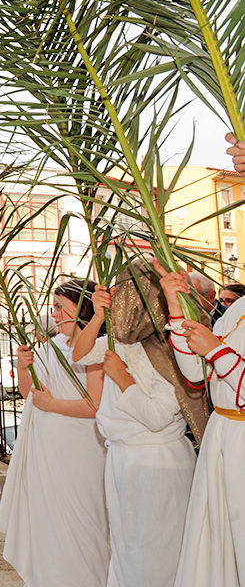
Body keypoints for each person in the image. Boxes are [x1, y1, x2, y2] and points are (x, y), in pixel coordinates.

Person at [71, 262, 198, 586]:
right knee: (127, 550)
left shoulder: (170, 350)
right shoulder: (122, 343)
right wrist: (98, 316)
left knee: (155, 554)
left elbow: (157, 417)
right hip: (124, 460)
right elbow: (80, 354)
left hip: (156, 464)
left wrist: (123, 379)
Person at [0, 279, 109, 587]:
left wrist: (52, 404)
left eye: (61, 307)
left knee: (83, 526)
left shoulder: (97, 347)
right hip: (46, 451)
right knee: (49, 526)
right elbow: (29, 392)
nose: (55, 313)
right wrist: (22, 367)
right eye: (54, 307)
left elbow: (96, 406)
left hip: (81, 450)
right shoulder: (51, 346)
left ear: (83, 308)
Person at [158, 238, 245, 586]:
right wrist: (174, 305)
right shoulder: (239, 311)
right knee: (216, 546)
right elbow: (196, 372)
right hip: (222, 435)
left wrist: (216, 349)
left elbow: (217, 357)